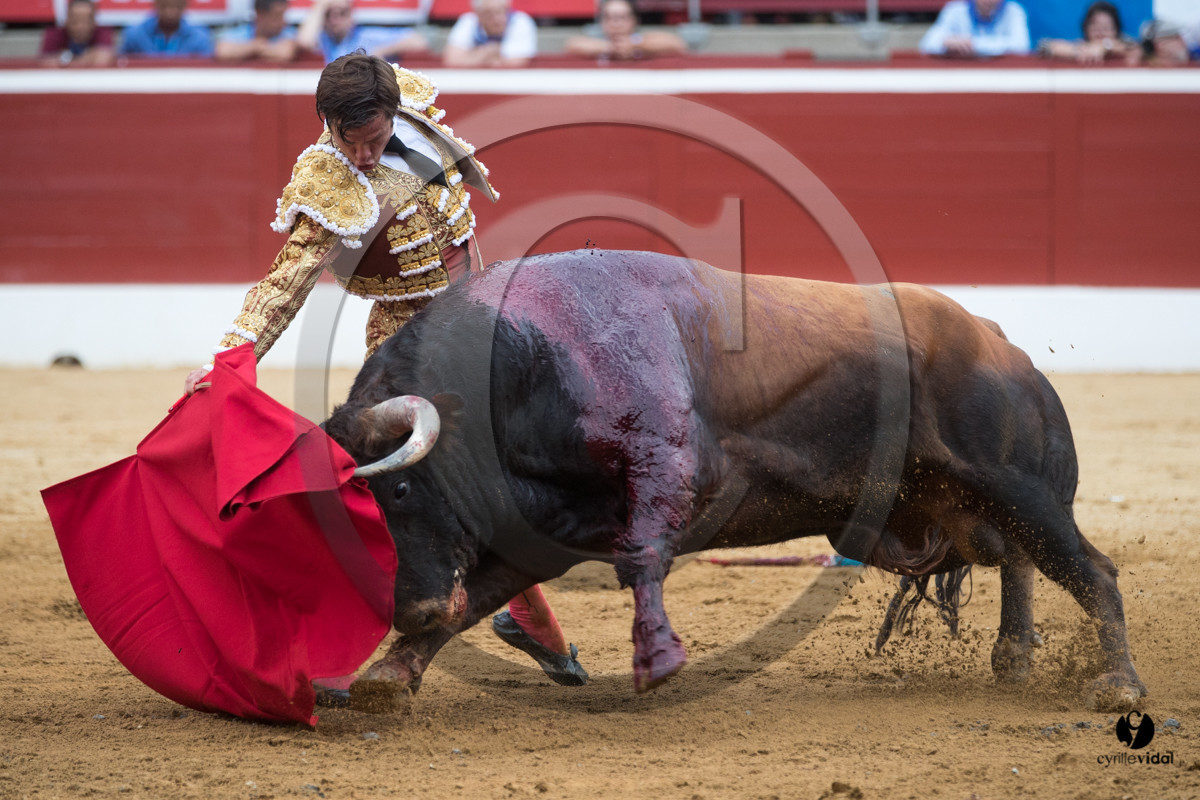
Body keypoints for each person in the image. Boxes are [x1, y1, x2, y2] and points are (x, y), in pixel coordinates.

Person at [182, 53, 588, 691]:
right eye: (352, 141)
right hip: (407, 340)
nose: (365, 156)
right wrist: (233, 359)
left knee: (502, 463)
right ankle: (368, 636)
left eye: (375, 140)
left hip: (478, 314)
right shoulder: (326, 180)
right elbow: (284, 283)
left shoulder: (416, 110)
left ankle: (521, 612)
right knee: (418, 488)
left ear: (396, 114)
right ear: (328, 123)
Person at [296, 0, 429, 64]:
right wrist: (321, 5)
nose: (335, 20)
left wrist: (380, 50)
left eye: (342, 13)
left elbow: (418, 41)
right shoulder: (322, 38)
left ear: (351, 16)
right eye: (329, 14)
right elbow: (304, 42)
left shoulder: (366, 36)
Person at [564, 0, 687, 62]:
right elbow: (571, 45)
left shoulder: (642, 41)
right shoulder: (597, 44)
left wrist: (636, 45)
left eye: (622, 17)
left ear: (634, 20)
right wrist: (609, 47)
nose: (616, 23)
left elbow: (676, 43)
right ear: (602, 22)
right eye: (610, 17)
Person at [918, 0, 1031, 58]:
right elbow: (926, 44)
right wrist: (945, 42)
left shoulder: (1014, 11)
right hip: (959, 76)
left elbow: (1021, 46)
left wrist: (974, 44)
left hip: (999, 78)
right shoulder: (955, 10)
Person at [442, 0, 537, 68]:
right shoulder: (468, 20)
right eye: (489, 13)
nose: (496, 19)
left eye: (500, 11)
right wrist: (489, 51)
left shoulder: (520, 21)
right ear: (478, 14)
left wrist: (473, 57)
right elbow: (452, 61)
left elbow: (515, 63)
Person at [1037, 2, 1138, 65]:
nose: (1100, 31)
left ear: (1116, 30)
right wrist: (1077, 52)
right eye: (1095, 26)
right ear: (1086, 28)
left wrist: (1106, 46)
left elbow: (1137, 49)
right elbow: (1043, 46)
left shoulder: (1126, 43)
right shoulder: (1081, 45)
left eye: (1106, 27)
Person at [118, 0, 214, 58]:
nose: (170, 13)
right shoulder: (135, 35)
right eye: (164, 6)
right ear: (156, 4)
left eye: (176, 6)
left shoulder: (199, 37)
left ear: (185, 6)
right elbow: (122, 64)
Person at [214, 0, 297, 62]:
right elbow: (222, 50)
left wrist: (252, 48)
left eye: (283, 15)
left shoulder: (288, 33)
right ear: (259, 14)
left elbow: (286, 52)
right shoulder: (242, 32)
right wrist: (257, 46)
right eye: (277, 15)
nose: (282, 21)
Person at [40, 0, 116, 67]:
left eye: (85, 21)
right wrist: (88, 57)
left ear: (94, 21)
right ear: (67, 20)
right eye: (75, 21)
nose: (80, 26)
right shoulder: (54, 33)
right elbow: (46, 63)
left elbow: (102, 59)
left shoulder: (103, 32)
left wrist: (64, 61)